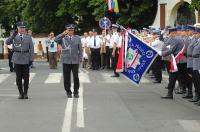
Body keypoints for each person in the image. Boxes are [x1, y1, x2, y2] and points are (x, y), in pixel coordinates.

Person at [6, 22, 34, 99]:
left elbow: (31, 48)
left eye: (23, 28)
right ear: (17, 28)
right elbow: (7, 42)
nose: (22, 29)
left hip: (25, 58)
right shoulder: (14, 36)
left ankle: (25, 93)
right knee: (18, 77)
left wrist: (31, 59)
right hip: (17, 58)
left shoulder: (28, 37)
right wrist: (12, 35)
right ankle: (20, 93)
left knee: (26, 77)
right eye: (21, 28)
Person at [54, 24, 83, 98]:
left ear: (73, 31)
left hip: (75, 60)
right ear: (66, 30)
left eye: (72, 30)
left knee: (76, 77)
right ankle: (68, 92)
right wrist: (62, 34)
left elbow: (80, 49)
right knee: (66, 77)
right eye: (69, 30)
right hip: (66, 60)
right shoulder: (63, 38)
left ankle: (76, 92)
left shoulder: (77, 38)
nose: (70, 31)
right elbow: (55, 39)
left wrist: (80, 59)